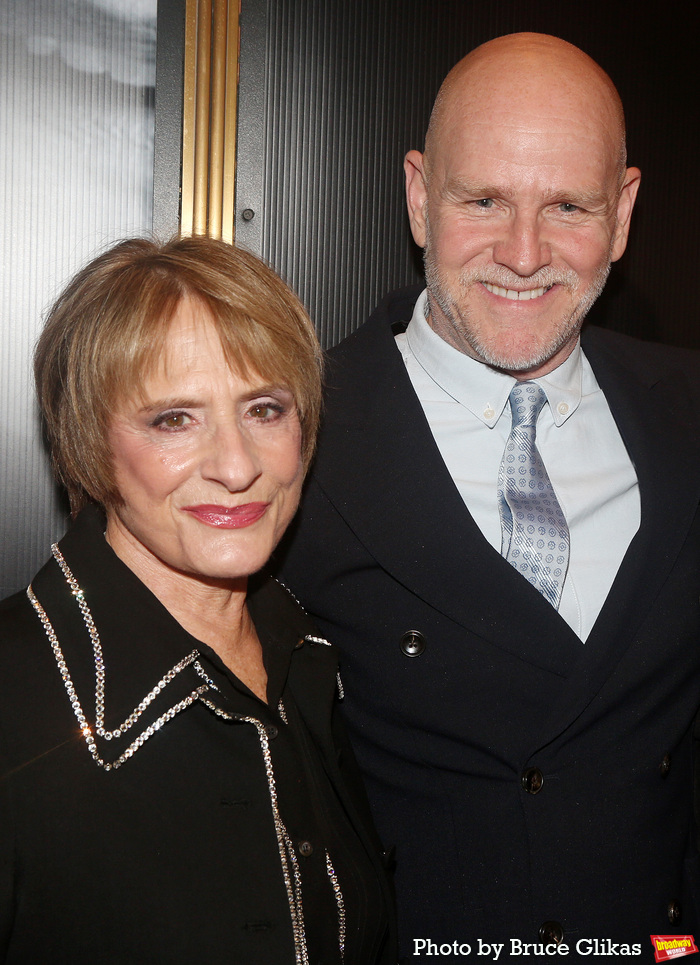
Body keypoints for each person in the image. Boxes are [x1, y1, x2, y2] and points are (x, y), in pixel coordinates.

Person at [276, 32, 700, 961]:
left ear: (624, 213)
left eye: (568, 206)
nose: (523, 252)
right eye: (484, 201)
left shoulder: (690, 418)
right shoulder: (286, 439)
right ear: (419, 196)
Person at [0, 236, 395, 964]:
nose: (237, 465)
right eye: (174, 419)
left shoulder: (310, 655)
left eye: (266, 409)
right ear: (90, 439)